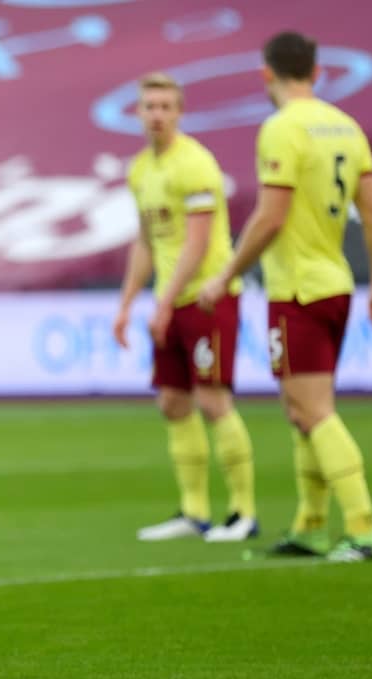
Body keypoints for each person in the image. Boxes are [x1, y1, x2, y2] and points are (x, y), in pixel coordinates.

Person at [199, 31, 372, 561]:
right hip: (335, 284)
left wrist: (226, 273)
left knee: (314, 410)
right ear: (317, 70)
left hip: (298, 291)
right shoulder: (347, 127)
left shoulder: (282, 128)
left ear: (267, 73)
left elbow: (270, 215)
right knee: (299, 410)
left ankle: (363, 529)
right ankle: (310, 524)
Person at [114, 72, 258, 543]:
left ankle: (242, 513)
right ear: (138, 112)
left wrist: (168, 301)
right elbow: (145, 241)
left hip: (205, 298)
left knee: (214, 400)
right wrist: (127, 302)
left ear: (179, 112)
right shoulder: (141, 170)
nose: (156, 114)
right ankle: (194, 512)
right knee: (173, 402)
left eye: (164, 107)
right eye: (149, 106)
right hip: (170, 302)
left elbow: (196, 245)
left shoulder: (195, 164)